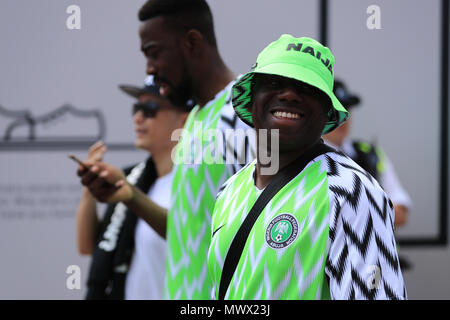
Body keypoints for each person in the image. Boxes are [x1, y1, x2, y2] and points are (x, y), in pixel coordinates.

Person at [78, 0, 255, 299]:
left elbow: (276, 242)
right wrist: (131, 196)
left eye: (154, 53)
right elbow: (187, 233)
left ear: (192, 42)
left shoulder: (248, 116)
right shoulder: (198, 119)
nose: (149, 68)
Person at [207, 34, 407, 299]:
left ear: (327, 112)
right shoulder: (230, 189)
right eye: (275, 82)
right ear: (252, 101)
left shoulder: (351, 191)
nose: (289, 94)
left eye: (307, 88)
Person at [76, 76, 192, 299]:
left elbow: (188, 234)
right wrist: (90, 186)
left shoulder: (198, 182)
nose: (138, 117)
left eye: (149, 109)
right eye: (136, 108)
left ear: (183, 120)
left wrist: (131, 197)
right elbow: (87, 246)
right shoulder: (135, 177)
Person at [323, 79, 412, 229]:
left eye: (347, 110)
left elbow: (401, 214)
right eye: (334, 111)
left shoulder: (372, 154)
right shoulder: (304, 158)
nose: (343, 118)